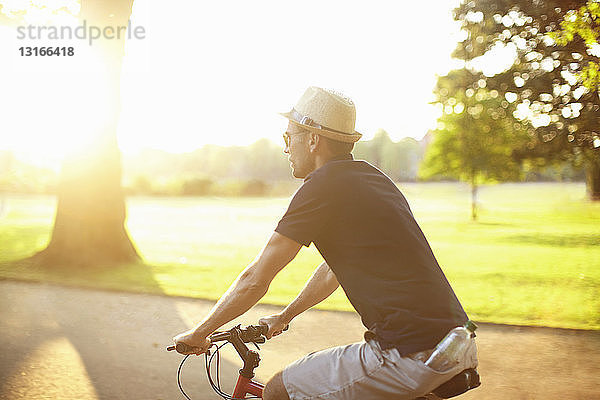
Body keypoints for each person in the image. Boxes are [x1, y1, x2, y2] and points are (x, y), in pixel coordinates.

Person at [173, 86, 478, 400]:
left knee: (278, 390)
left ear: (312, 139)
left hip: (409, 351)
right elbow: (334, 269)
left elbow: (255, 279)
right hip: (453, 342)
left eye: (288, 137)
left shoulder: (322, 186)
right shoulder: (371, 179)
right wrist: (284, 316)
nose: (286, 147)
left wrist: (201, 332)